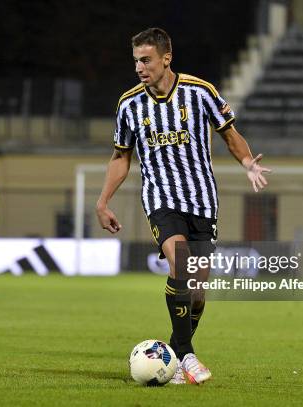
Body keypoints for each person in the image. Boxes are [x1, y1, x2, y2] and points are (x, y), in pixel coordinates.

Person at [96, 28, 270, 384]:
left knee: (198, 292)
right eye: (136, 61)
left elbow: (229, 133)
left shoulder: (200, 92)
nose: (139, 68)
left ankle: (174, 354)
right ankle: (187, 357)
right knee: (181, 263)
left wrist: (248, 162)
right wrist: (103, 201)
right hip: (161, 198)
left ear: (166, 58)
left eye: (146, 60)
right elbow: (120, 156)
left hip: (202, 200)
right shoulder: (129, 104)